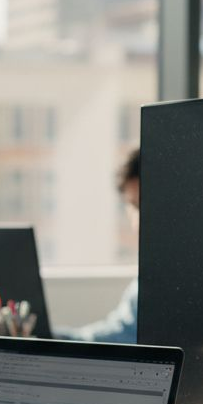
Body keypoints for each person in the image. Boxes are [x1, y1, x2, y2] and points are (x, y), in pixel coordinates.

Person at [59, 147, 140, 344]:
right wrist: (43, 337)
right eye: (134, 206)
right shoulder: (148, 277)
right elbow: (118, 332)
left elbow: (122, 337)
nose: (139, 221)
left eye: (147, 204)